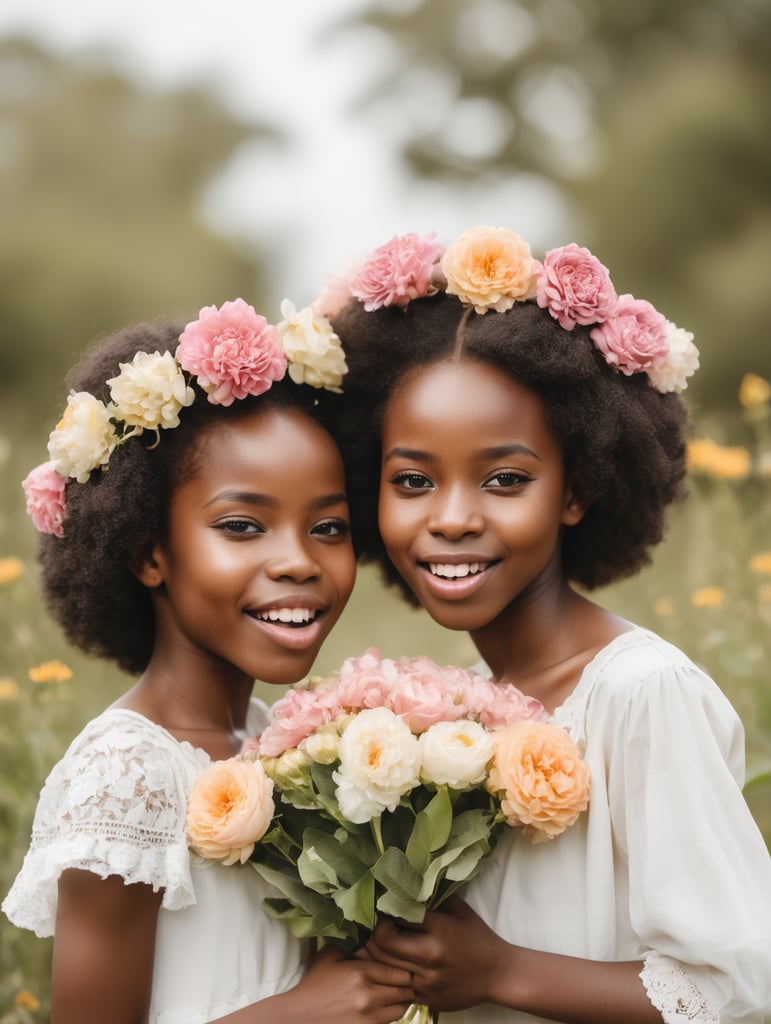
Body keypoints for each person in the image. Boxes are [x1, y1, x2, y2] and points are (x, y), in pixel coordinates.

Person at [318, 227, 771, 1023]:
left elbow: (739, 989)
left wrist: (499, 972)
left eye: (504, 479)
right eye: (413, 479)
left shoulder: (639, 695)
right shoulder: (464, 714)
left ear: (578, 488)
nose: (451, 518)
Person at [2, 299, 414, 1024]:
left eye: (327, 527)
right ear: (148, 552)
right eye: (241, 526)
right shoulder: (127, 773)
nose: (297, 562)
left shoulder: (273, 744)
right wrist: (299, 1014)